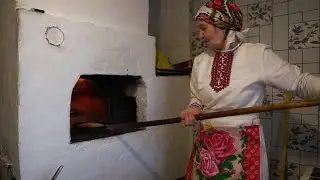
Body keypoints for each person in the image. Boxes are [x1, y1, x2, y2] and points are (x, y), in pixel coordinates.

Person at [180, 0, 320, 179]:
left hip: (244, 142)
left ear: (222, 25)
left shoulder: (257, 55)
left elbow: (299, 82)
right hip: (207, 143)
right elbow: (196, 99)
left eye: (203, 28)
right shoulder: (200, 61)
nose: (200, 35)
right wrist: (193, 108)